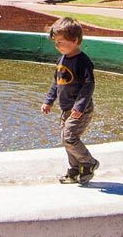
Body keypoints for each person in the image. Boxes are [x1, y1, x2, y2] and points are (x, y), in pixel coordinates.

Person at [40, 17, 99, 185]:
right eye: (55, 42)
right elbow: (56, 83)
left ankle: (88, 163)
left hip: (80, 109)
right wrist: (49, 101)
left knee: (69, 137)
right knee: (66, 139)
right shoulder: (62, 59)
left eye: (60, 42)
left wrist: (80, 106)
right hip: (66, 110)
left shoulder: (82, 61)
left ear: (74, 40)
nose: (57, 46)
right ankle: (75, 170)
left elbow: (88, 86)